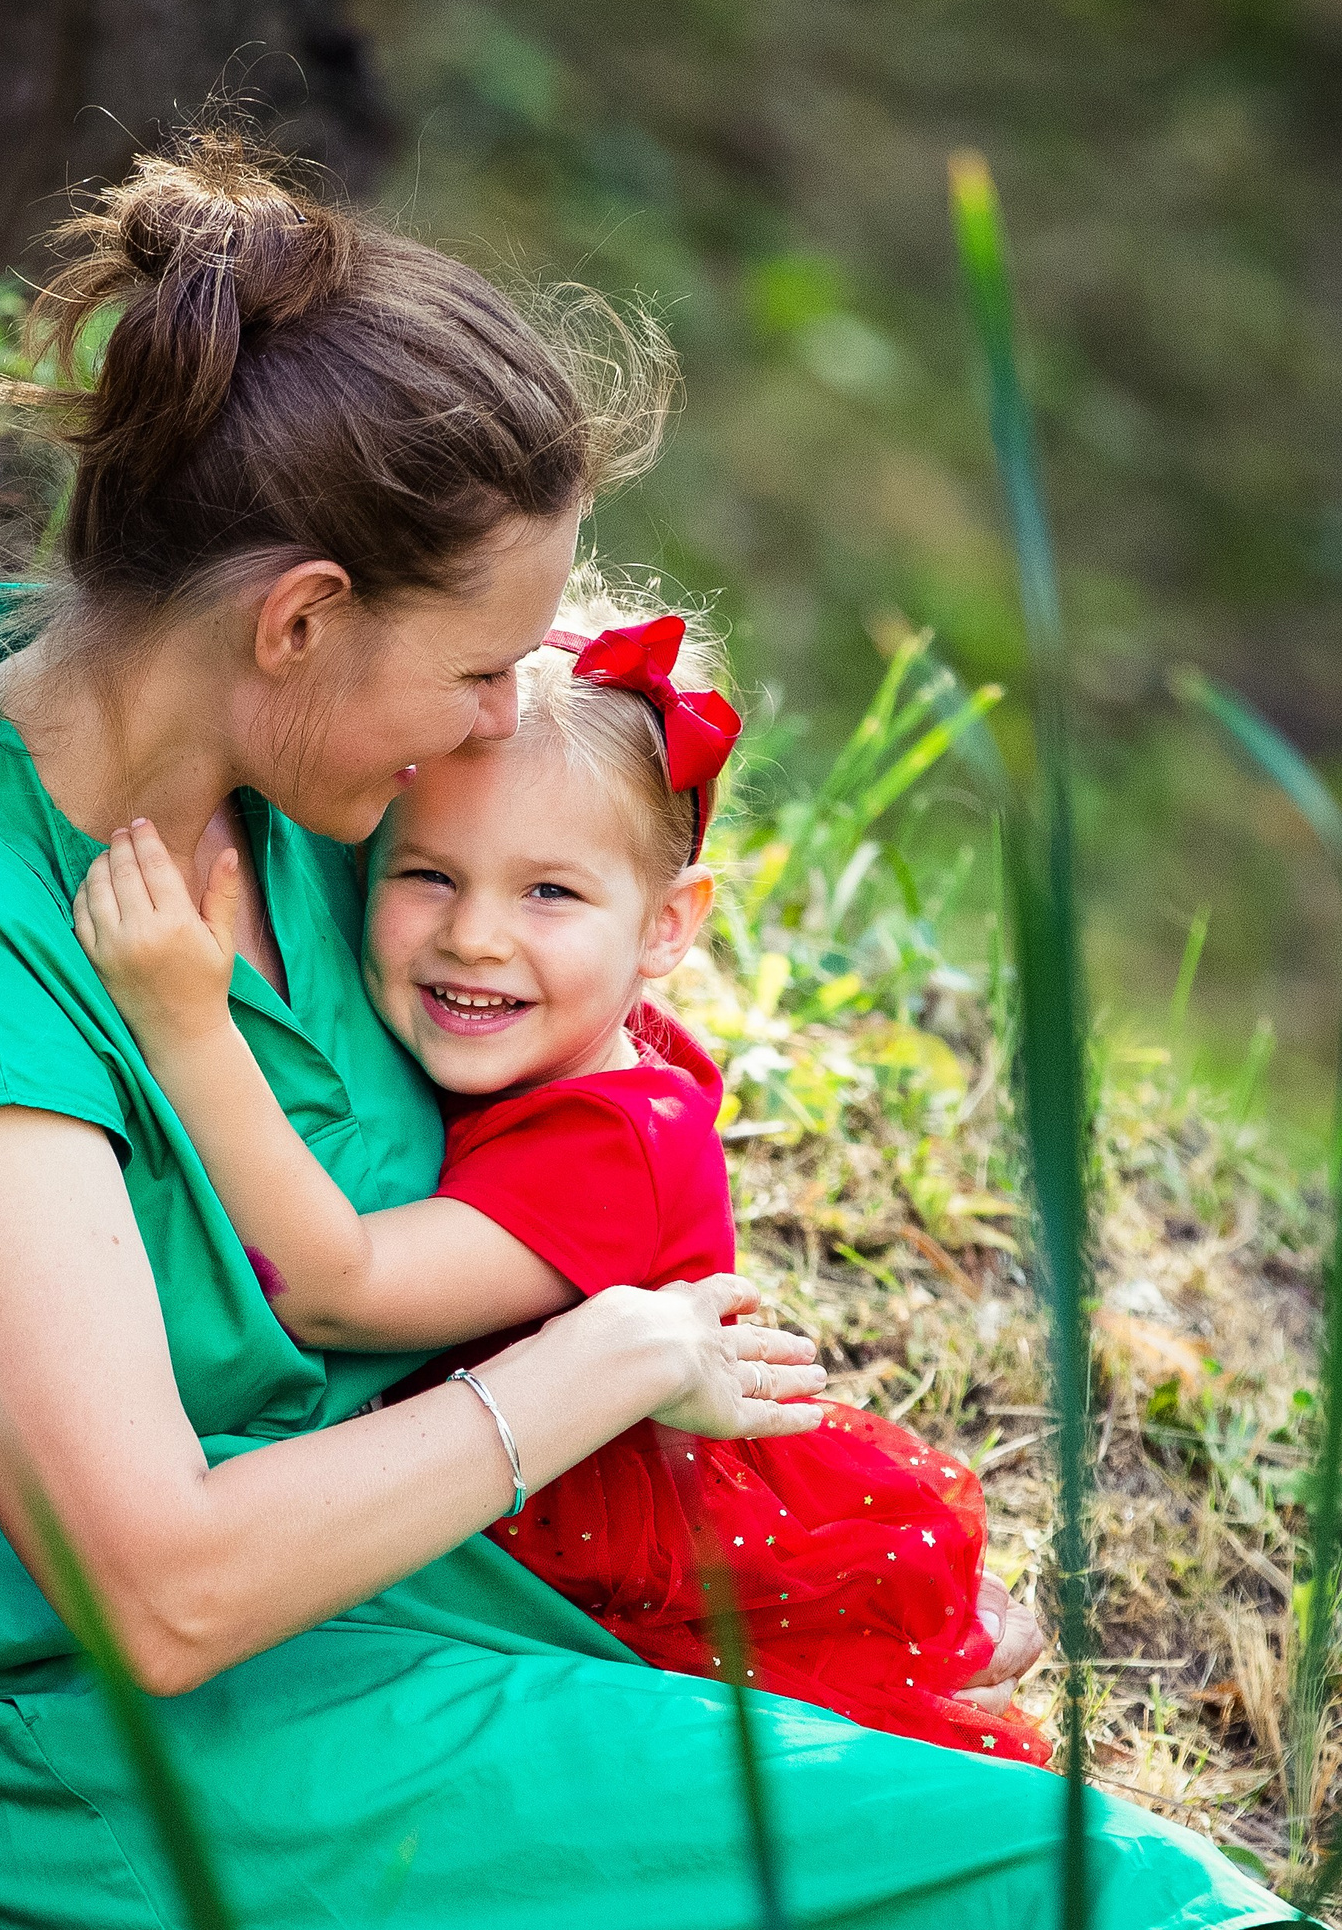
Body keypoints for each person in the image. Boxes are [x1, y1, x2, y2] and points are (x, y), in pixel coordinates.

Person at [0, 129, 1342, 1930]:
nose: (511, 714)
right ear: (298, 620)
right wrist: (591, 1365)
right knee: (1109, 1922)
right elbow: (152, 1587)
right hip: (111, 1717)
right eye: (478, 669)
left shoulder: (273, 763)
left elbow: (553, 943)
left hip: (394, 1600)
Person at [71, 579, 1049, 1766]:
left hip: (610, 1564)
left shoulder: (611, 1146)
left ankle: (934, 1643)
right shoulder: (539, 1037)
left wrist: (187, 1026)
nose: (475, 935)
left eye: (550, 892)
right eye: (429, 875)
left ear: (666, 926)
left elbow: (337, 1286)